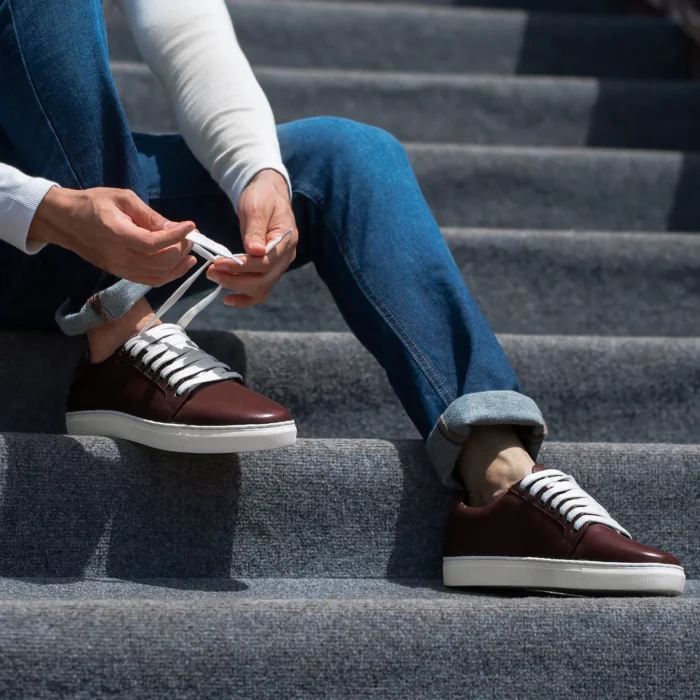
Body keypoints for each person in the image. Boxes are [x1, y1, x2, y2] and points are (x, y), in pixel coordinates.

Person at [0, 0, 684, 595]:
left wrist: (256, 177)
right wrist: (45, 209)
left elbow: (185, 29)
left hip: (80, 192)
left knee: (343, 156)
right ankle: (117, 321)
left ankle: (499, 478)